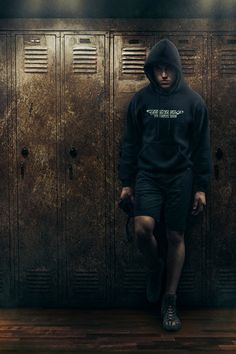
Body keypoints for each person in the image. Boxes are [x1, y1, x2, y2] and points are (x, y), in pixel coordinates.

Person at [118, 38, 213, 331]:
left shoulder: (193, 101)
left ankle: (169, 300)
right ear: (150, 71)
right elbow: (130, 143)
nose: (162, 74)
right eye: (157, 68)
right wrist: (126, 182)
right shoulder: (140, 101)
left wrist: (201, 187)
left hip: (180, 178)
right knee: (141, 227)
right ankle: (155, 266)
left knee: (175, 237)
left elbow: (202, 148)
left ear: (176, 70)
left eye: (168, 68)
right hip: (148, 175)